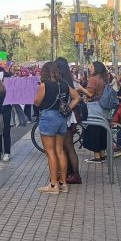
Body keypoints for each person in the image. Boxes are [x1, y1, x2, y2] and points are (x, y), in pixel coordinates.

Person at [34, 62, 79, 194]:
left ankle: (53, 185)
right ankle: (63, 183)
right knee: (60, 151)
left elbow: (37, 102)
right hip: (62, 118)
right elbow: (76, 98)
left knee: (50, 152)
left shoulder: (44, 85)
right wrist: (68, 109)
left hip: (48, 117)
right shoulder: (64, 84)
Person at [55, 57, 82, 184]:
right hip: (69, 117)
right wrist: (69, 108)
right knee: (68, 147)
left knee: (65, 147)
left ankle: (72, 174)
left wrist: (66, 109)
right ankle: (72, 173)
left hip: (64, 117)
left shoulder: (61, 82)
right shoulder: (69, 80)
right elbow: (76, 98)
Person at [77, 61, 110, 163]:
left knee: (93, 130)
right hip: (103, 107)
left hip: (94, 107)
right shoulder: (104, 78)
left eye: (91, 66)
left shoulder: (93, 79)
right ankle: (102, 154)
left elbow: (90, 94)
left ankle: (97, 157)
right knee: (102, 130)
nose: (90, 68)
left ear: (96, 68)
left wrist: (81, 88)